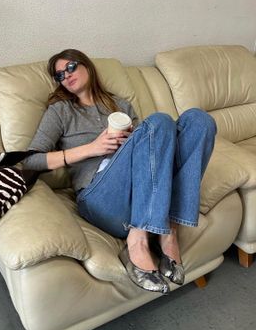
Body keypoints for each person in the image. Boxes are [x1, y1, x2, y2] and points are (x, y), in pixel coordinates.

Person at [23, 49, 217, 294]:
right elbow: (31, 160)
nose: (66, 76)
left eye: (70, 67)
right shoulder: (61, 111)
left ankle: (167, 230)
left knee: (199, 120)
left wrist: (133, 142)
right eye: (60, 75)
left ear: (86, 65)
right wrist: (92, 148)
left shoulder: (121, 105)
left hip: (142, 192)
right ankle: (137, 239)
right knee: (159, 121)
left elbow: (153, 150)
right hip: (99, 196)